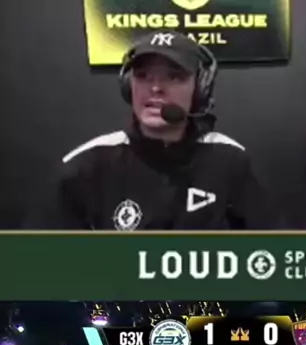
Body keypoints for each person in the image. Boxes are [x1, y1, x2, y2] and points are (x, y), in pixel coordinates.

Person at [24, 31, 285, 230]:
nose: (155, 88)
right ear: (128, 86)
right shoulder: (88, 165)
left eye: (173, 76)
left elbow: (274, 251)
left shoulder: (229, 159)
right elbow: (40, 262)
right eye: (143, 75)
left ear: (200, 89)